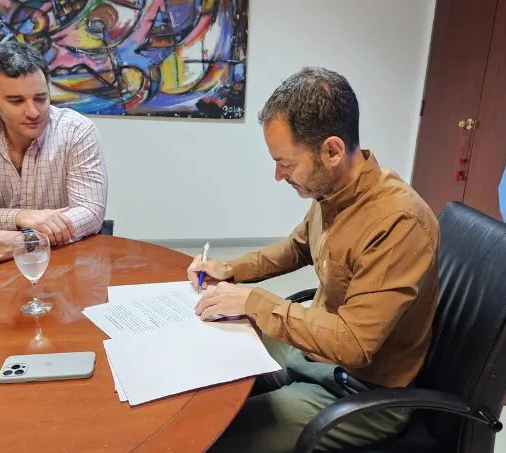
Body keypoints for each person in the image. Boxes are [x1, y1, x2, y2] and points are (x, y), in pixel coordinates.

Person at [187, 67, 440, 453]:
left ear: (332, 151)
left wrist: (255, 302)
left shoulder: (398, 222)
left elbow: (354, 344)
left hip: (359, 390)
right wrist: (230, 270)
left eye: (286, 163)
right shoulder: (334, 190)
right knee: (205, 377)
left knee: (212, 439)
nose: (278, 175)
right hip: (312, 354)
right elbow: (298, 247)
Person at [0, 41, 107, 265]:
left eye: (41, 98)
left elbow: (91, 212)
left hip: (63, 259)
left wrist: (26, 240)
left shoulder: (77, 130)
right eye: (17, 101)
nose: (33, 112)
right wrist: (20, 217)